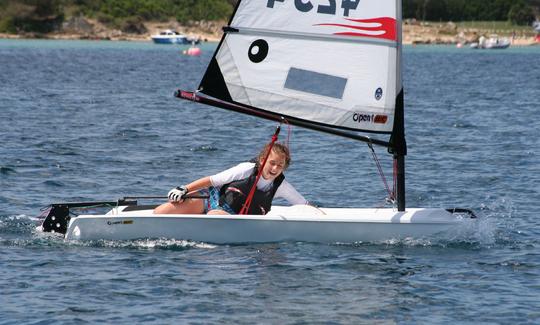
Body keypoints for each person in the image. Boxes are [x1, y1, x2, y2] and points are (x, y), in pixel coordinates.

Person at [153, 142, 308, 215]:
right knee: (159, 214)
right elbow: (212, 180)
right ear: (262, 160)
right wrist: (184, 189)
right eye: (272, 163)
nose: (275, 169)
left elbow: (304, 205)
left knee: (214, 217)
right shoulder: (246, 169)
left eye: (280, 165)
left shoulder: (281, 186)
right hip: (210, 199)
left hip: (228, 216)